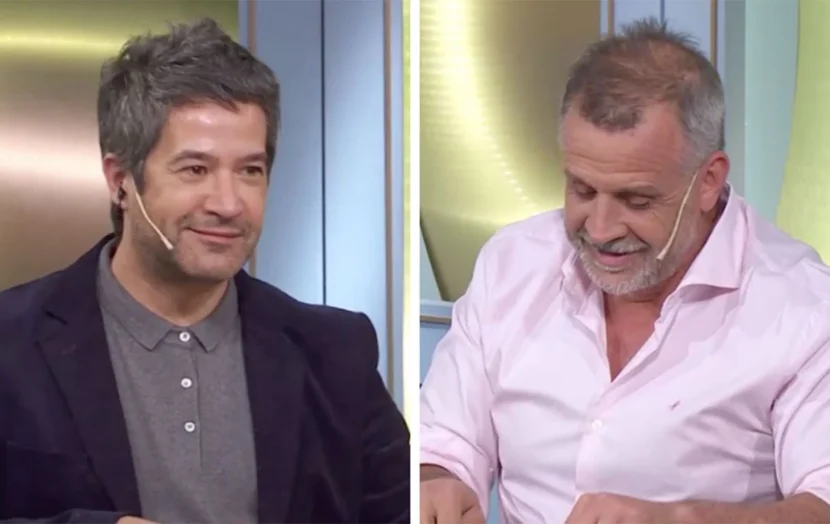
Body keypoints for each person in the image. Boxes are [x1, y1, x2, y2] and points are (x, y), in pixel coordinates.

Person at [420, 17, 830, 524]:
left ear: (708, 180)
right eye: (581, 190)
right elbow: (446, 439)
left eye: (636, 200)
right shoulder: (511, 264)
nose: (600, 228)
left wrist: (679, 520)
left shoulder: (803, 306)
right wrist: (436, 477)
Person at [0, 18, 409, 524]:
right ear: (121, 180)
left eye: (250, 171)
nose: (228, 204)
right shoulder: (11, 342)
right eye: (195, 169)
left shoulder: (335, 352)